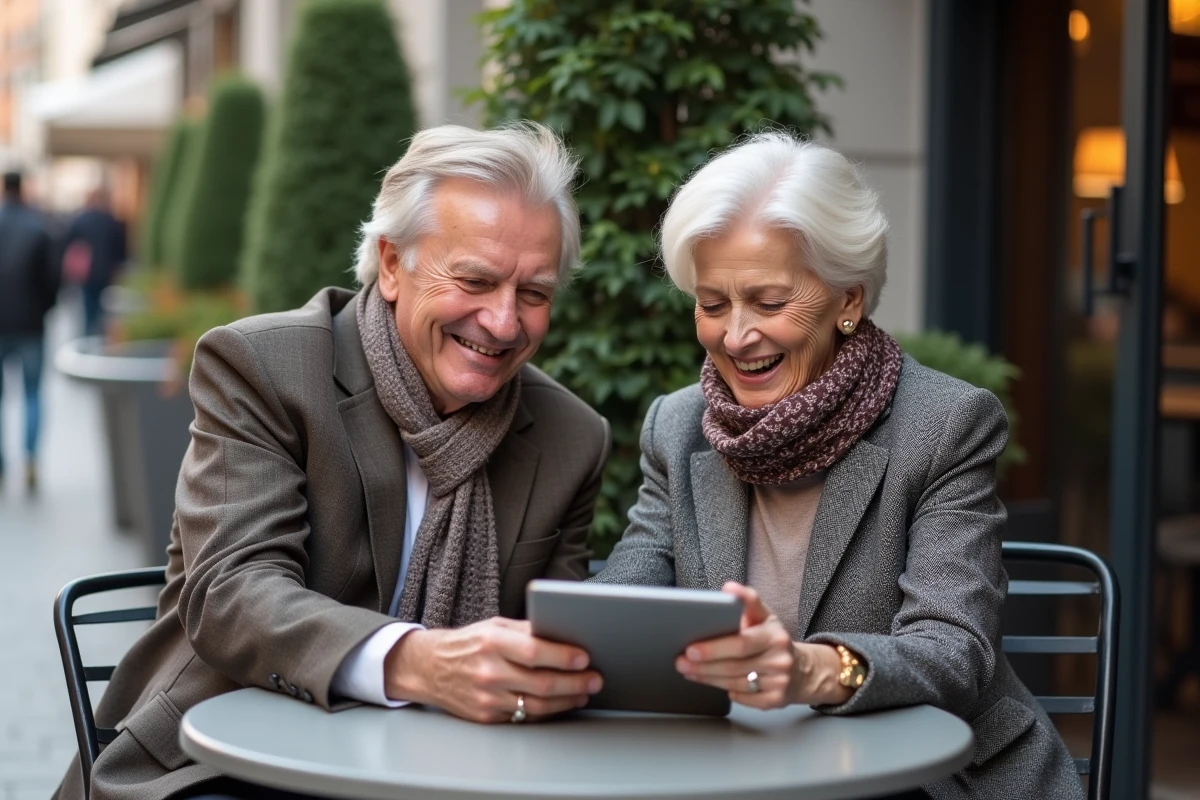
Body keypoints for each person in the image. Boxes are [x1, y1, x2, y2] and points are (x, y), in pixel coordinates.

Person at [54, 123, 611, 800]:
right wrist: (416, 662)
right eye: (475, 280)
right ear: (394, 263)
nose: (503, 322)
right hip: (220, 768)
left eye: (534, 294)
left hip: (451, 778)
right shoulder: (265, 367)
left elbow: (552, 649)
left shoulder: (570, 437)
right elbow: (232, 592)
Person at [593, 133, 1084, 800]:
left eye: (769, 303)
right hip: (739, 777)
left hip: (934, 780)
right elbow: (629, 597)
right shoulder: (676, 427)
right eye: (712, 305)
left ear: (848, 300)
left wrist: (809, 671)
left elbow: (952, 649)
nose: (735, 337)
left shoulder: (946, 424)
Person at [0, 170, 58, 493]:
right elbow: (53, 280)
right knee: (32, 393)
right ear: (22, 189)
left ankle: (1, 463)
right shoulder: (38, 228)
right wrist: (43, 309)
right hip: (31, 325)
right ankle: (31, 458)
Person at [59, 185, 127, 337]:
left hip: (87, 271)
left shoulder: (81, 220)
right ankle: (99, 333)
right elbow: (120, 247)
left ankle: (89, 335)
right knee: (102, 305)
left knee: (88, 305)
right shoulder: (110, 220)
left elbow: (68, 244)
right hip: (106, 271)